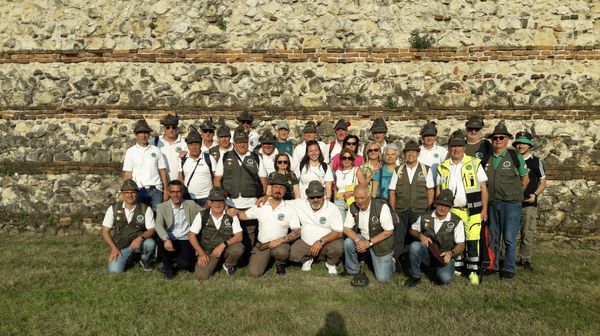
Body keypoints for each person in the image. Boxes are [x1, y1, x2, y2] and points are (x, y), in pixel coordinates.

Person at [436, 130, 488, 285]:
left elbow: (483, 187)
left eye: (459, 146)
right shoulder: (443, 166)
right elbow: (439, 189)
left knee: (472, 241)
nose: (456, 149)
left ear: (464, 147)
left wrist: (484, 209)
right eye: (453, 146)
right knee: (455, 240)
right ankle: (457, 268)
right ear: (449, 147)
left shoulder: (474, 162)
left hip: (472, 209)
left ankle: (472, 271)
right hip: (452, 210)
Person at [483, 122, 529, 280]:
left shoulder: (515, 157)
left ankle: (509, 267)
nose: (497, 140)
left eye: (501, 137)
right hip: (493, 203)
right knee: (493, 236)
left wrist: (515, 194)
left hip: (511, 204)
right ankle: (493, 265)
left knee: (509, 237)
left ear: (507, 139)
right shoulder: (487, 159)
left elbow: (525, 179)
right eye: (495, 138)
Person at [232, 173, 301, 277]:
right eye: (276, 187)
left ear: (285, 191)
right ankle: (265, 259)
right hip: (262, 244)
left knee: (282, 252)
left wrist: (281, 240)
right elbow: (245, 215)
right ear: (271, 189)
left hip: (279, 244)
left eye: (282, 187)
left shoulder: (289, 208)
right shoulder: (261, 205)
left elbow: (297, 231)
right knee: (254, 273)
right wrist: (235, 212)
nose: (278, 190)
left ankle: (280, 264)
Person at [214, 127, 267, 253]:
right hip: (230, 203)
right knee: (231, 233)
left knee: (250, 233)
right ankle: (235, 257)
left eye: (244, 142)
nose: (242, 145)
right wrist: (221, 199)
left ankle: (248, 256)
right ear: (234, 144)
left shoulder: (255, 157)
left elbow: (263, 179)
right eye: (239, 142)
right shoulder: (225, 157)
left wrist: (262, 196)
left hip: (250, 204)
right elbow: (217, 180)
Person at [388, 139, 435, 272]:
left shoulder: (426, 170)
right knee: (399, 239)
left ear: (418, 154)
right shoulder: (398, 170)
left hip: (419, 210)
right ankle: (397, 265)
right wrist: (393, 211)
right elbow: (392, 192)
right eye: (408, 152)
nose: (410, 154)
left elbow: (430, 190)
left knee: (417, 237)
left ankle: (417, 265)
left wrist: (429, 209)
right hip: (401, 210)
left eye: (413, 152)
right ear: (404, 154)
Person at [404, 189, 465, 287]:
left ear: (450, 207)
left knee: (445, 279)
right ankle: (415, 276)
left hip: (444, 257)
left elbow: (461, 245)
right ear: (436, 204)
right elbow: (412, 230)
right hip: (428, 253)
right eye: (441, 204)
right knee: (414, 246)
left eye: (446, 206)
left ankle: (440, 270)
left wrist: (451, 253)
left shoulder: (456, 221)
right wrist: (421, 236)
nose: (443, 208)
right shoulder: (425, 216)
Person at [101, 179, 157, 273]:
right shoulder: (113, 209)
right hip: (121, 246)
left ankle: (145, 259)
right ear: (122, 194)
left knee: (150, 243)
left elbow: (152, 229)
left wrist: (140, 238)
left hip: (139, 243)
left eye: (133, 192)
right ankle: (132, 257)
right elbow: (104, 231)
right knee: (114, 270)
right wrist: (114, 249)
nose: (130, 195)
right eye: (127, 192)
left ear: (137, 193)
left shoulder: (145, 209)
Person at [188, 187, 244, 280]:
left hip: (225, 249)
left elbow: (239, 236)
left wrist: (223, 244)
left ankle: (228, 264)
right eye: (214, 201)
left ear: (225, 202)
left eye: (220, 201)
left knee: (239, 248)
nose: (217, 204)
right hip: (209, 252)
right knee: (201, 276)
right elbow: (191, 235)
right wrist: (201, 254)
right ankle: (215, 264)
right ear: (209, 202)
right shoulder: (202, 215)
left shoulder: (230, 215)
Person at [289, 181, 344, 275]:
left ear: (324, 195)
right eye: (312, 197)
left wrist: (320, 241)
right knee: (292, 254)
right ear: (307, 197)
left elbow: (339, 232)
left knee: (338, 247)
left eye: (319, 196)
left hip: (326, 243)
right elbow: (281, 202)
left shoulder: (332, 208)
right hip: (306, 243)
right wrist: (266, 197)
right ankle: (308, 259)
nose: (315, 199)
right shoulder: (300, 204)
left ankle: (331, 263)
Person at [343, 185, 396, 283]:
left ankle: (392, 263)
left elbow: (389, 231)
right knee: (348, 242)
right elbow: (346, 228)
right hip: (364, 237)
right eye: (356, 198)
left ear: (369, 195)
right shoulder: (353, 206)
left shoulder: (381, 206)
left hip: (382, 241)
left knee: (382, 279)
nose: (359, 201)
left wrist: (368, 243)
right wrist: (358, 240)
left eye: (362, 198)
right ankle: (352, 270)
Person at [154, 180, 204, 279]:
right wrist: (166, 238)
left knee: (186, 264)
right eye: (173, 192)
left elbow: (205, 213)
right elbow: (158, 224)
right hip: (169, 238)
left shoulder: (190, 204)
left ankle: (176, 261)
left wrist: (221, 208)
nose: (176, 195)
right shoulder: (161, 207)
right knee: (160, 240)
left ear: (182, 192)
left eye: (178, 191)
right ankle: (168, 270)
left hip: (186, 239)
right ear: (168, 193)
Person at [513, 131, 546, 272]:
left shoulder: (536, 161)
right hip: (512, 203)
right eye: (519, 143)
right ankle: (507, 259)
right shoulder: (512, 159)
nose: (521, 146)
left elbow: (543, 182)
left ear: (529, 145)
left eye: (524, 143)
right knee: (510, 234)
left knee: (527, 233)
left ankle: (525, 259)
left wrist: (535, 194)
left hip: (529, 203)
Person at [122, 118, 169, 212]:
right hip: (138, 190)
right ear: (136, 134)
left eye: (146, 132)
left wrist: (166, 191)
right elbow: (127, 174)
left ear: (149, 134)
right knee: (140, 219)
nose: (143, 135)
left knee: (157, 219)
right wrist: (126, 192)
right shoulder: (131, 151)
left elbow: (162, 171)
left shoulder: (156, 150)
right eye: (141, 133)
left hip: (156, 190)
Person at [180, 128, 217, 208]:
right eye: (191, 144)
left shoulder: (209, 158)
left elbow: (216, 179)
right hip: (189, 199)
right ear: (188, 145)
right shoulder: (182, 160)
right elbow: (181, 179)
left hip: (207, 198)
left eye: (196, 144)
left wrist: (213, 198)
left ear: (201, 144)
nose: (194, 147)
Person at [153, 114, 187, 182]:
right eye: (168, 127)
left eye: (173, 127)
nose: (171, 130)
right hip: (160, 182)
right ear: (164, 129)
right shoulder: (155, 142)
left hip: (178, 182)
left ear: (177, 128)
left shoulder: (184, 143)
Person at [333, 148, 359, 220]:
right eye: (344, 158)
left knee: (350, 224)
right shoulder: (338, 172)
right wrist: (335, 200)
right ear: (341, 159)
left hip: (352, 200)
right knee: (339, 224)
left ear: (352, 159)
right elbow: (336, 188)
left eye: (349, 158)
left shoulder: (356, 170)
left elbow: (363, 187)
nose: (347, 160)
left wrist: (351, 192)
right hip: (339, 201)